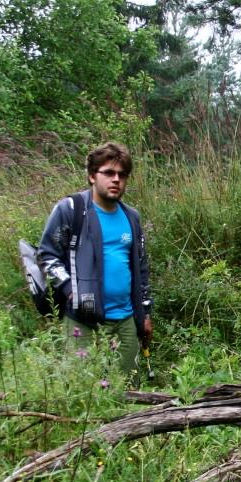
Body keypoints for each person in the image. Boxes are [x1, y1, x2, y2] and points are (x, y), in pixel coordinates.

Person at [37, 142, 153, 380]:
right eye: (108, 173)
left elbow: (141, 268)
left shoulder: (131, 217)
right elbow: (47, 255)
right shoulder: (71, 209)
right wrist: (70, 290)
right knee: (85, 389)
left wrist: (146, 313)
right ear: (92, 176)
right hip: (84, 319)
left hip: (126, 319)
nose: (116, 180)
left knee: (128, 387)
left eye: (122, 175)